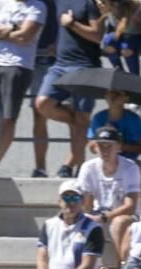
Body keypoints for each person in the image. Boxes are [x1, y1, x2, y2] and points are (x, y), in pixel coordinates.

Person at [35, 0, 103, 178]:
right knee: (42, 104)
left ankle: (81, 171)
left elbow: (98, 35)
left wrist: (73, 24)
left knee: (81, 118)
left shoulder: (89, 3)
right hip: (60, 65)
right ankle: (78, 122)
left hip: (86, 66)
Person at [0, 0, 47, 165]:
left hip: (18, 66)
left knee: (8, 118)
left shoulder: (37, 6)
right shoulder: (0, 2)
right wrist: (11, 28)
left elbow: (24, 36)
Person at [77, 125, 141, 266]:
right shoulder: (88, 167)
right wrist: (90, 216)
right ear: (95, 147)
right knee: (78, 221)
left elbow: (130, 206)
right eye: (101, 146)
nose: (104, 150)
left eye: (109, 146)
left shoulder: (131, 168)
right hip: (99, 215)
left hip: (129, 217)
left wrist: (104, 217)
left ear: (118, 147)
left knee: (118, 223)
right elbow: (85, 204)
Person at [29, 0, 58, 177]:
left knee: (75, 113)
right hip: (32, 55)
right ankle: (40, 167)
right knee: (38, 116)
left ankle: (72, 166)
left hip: (62, 56)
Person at [87, 90, 141, 163]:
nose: (113, 97)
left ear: (126, 98)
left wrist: (121, 146)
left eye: (117, 94)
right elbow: (92, 148)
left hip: (129, 162)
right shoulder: (98, 118)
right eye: (110, 93)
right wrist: (104, 137)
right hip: (105, 161)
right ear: (105, 96)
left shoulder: (133, 119)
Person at [100, 0, 141, 74]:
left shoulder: (134, 5)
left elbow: (123, 24)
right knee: (108, 44)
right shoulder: (110, 6)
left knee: (126, 49)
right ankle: (120, 73)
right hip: (120, 33)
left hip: (134, 34)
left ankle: (135, 76)